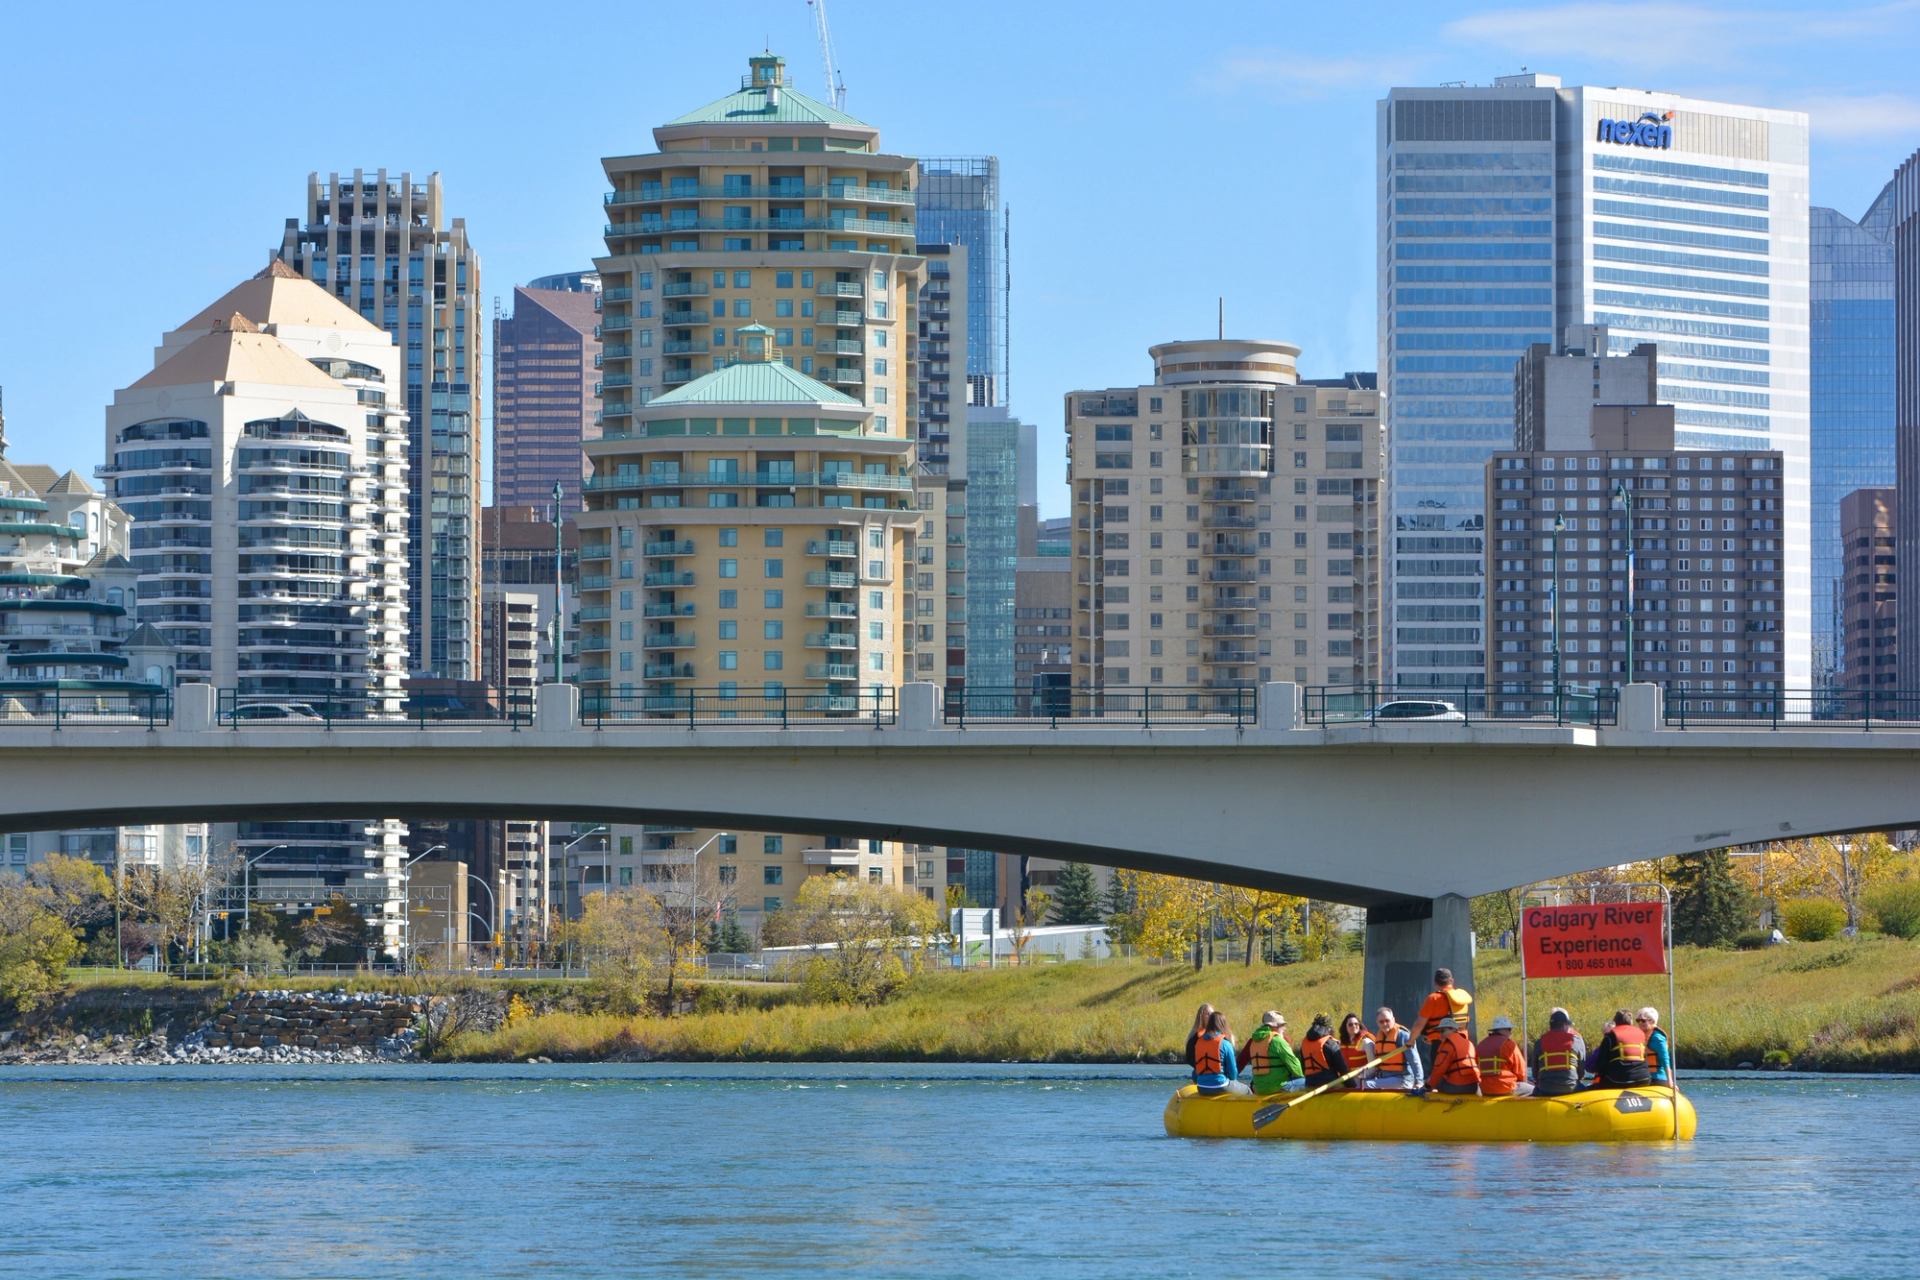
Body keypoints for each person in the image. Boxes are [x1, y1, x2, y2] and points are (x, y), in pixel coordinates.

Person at [1407, 968, 1474, 1078]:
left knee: (1439, 1076)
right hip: (1463, 1043)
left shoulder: (1433, 998)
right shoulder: (1462, 998)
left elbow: (1419, 1025)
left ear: (1435, 983)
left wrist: (1410, 1041)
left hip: (1440, 1044)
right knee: (1458, 1072)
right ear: (1451, 981)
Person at [1243, 1010, 1304, 1094]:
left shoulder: (1254, 1041)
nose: (1284, 1028)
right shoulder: (1278, 1041)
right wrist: (1302, 1077)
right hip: (1278, 1087)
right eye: (1282, 1025)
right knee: (1309, 1082)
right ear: (1274, 1026)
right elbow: (1296, 1067)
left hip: (1258, 1088)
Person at [1588, 1010, 1653, 1088]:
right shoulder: (1641, 1034)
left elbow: (1601, 1064)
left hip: (1619, 1081)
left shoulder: (1610, 1036)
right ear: (1631, 1022)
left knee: (1595, 1084)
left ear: (1615, 1022)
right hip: (1644, 1079)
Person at [1192, 1010, 1251, 1096]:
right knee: (1247, 1090)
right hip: (1220, 1086)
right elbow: (1233, 1074)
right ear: (1223, 1025)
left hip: (1201, 1087)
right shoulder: (1225, 1044)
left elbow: (1195, 1072)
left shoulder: (1198, 1043)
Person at [1531, 1007, 1587, 1097]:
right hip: (1571, 1088)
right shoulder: (1576, 1040)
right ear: (1565, 1025)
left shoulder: (1539, 1042)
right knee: (1587, 1090)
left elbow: (1535, 1072)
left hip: (1544, 1089)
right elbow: (1581, 1071)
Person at [1368, 1006, 1424, 1091]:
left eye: (1387, 1020)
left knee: (1366, 1085)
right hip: (1384, 1078)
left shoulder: (1403, 1036)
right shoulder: (1379, 1037)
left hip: (1402, 1079)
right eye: (1381, 1022)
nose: (1384, 1024)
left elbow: (1414, 1060)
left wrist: (1419, 1082)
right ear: (1377, 1023)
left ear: (1393, 1020)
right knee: (1360, 1082)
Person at [1475, 1015, 1533, 1097]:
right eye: (1509, 1029)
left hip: (1484, 1089)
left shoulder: (1480, 1045)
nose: (1511, 1032)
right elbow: (1521, 1071)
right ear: (1504, 1030)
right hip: (1505, 1087)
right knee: (1534, 1089)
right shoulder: (1509, 1044)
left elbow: (1475, 1068)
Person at [1426, 1016, 1481, 1096]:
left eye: (1443, 1031)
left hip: (1456, 1087)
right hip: (1474, 1086)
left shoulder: (1447, 1045)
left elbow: (1439, 1070)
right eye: (1439, 1032)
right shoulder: (1469, 1043)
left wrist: (1427, 1086)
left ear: (1453, 1029)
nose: (1440, 1035)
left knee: (1434, 1080)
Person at [1298, 1014, 1349, 1089]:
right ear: (1329, 1028)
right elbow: (1342, 1069)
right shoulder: (1330, 1043)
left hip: (1309, 1085)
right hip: (1329, 1085)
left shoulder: (1304, 1043)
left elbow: (1303, 1066)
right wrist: (1352, 1086)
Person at [1337, 1013, 1374, 1089]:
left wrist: (1359, 1077)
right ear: (1345, 1027)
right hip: (1346, 1079)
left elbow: (1373, 1067)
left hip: (1362, 1079)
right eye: (1350, 1024)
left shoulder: (1366, 1042)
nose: (1354, 1026)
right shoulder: (1340, 1044)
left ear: (1359, 1025)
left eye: (1356, 1024)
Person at [1637, 1007, 1672, 1086]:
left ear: (1652, 1021)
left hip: (1657, 1078)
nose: (1639, 1023)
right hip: (1643, 1076)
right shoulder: (1640, 1036)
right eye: (1638, 1021)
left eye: (1643, 1021)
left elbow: (1665, 1059)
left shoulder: (1657, 1038)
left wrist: (1670, 1081)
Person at [1184, 1002, 1216, 1079]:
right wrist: (1202, 1067)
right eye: (1207, 1014)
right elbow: (1190, 1058)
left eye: (1212, 1014)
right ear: (1201, 1017)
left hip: (1217, 1073)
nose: (1210, 1016)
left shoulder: (1220, 1035)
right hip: (1200, 1073)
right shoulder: (1194, 1037)